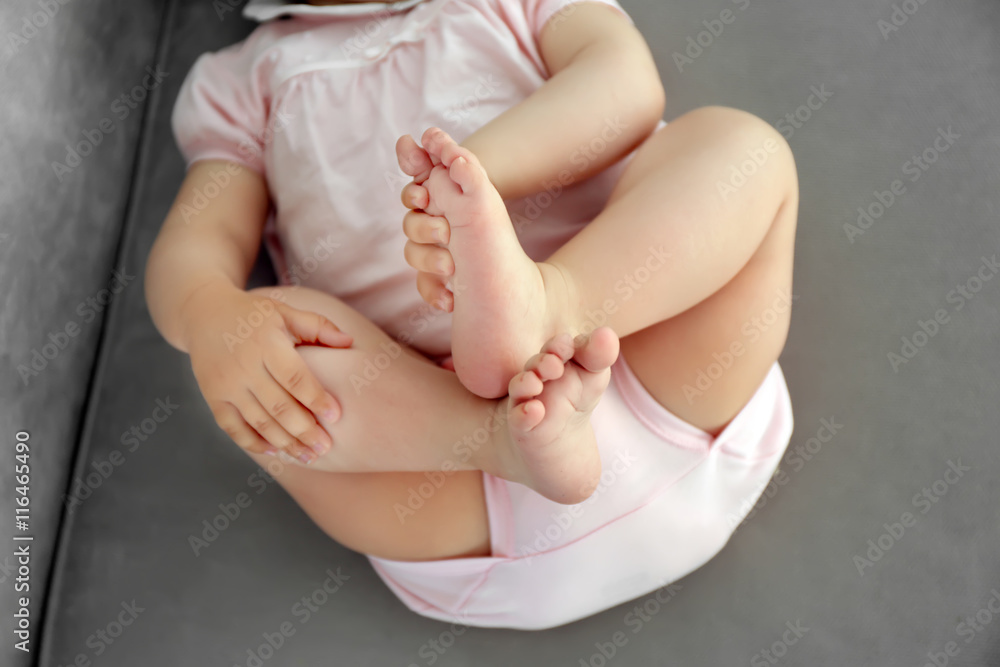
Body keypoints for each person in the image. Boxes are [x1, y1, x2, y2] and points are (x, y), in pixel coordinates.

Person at [145, 0, 798, 629]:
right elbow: (202, 240)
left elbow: (623, 81)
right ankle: (501, 431)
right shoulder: (245, 81)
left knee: (740, 149)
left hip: (641, 345)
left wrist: (472, 178)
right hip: (444, 462)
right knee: (261, 350)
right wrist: (208, 313)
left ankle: (551, 300)